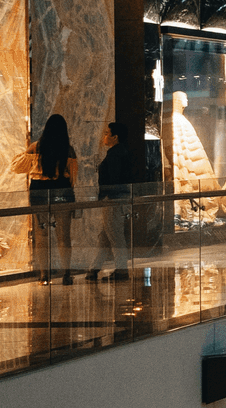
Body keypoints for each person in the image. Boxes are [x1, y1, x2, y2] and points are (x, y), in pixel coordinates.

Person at [19, 115, 79, 284]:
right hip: (62, 193)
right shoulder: (68, 150)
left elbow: (19, 167)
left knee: (41, 235)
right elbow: (73, 177)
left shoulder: (35, 148)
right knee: (63, 236)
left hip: (39, 194)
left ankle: (44, 275)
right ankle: (66, 273)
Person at [91, 120, 141, 281]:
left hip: (114, 200)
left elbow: (112, 179)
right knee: (106, 236)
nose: (104, 136)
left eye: (107, 133)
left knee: (115, 236)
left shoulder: (115, 154)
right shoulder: (122, 152)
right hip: (118, 199)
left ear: (115, 137)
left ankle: (121, 270)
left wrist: (103, 195)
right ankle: (94, 269)